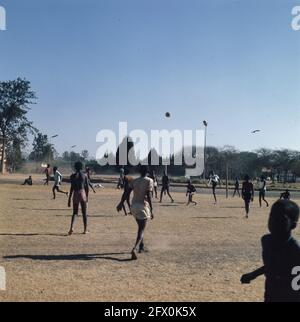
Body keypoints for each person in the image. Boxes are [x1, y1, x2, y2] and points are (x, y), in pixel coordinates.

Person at [241, 199, 300, 302]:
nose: (274, 221)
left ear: (293, 225)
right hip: (270, 295)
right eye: (271, 217)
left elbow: (297, 283)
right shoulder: (266, 241)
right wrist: (253, 274)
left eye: (281, 219)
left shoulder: (295, 250)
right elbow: (272, 264)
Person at [117, 165, 154, 260]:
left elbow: (126, 193)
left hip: (133, 207)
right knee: (141, 229)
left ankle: (141, 247)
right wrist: (152, 209)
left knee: (140, 227)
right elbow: (149, 195)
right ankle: (135, 248)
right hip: (142, 207)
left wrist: (121, 203)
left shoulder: (134, 181)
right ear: (147, 172)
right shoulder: (149, 180)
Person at [68, 162, 89, 235]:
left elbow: (72, 188)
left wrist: (69, 199)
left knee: (74, 213)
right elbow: (87, 188)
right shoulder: (85, 175)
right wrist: (87, 198)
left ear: (75, 167)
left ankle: (71, 228)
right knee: (84, 213)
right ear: (81, 167)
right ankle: (85, 230)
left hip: (75, 194)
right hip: (82, 193)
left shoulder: (72, 176)